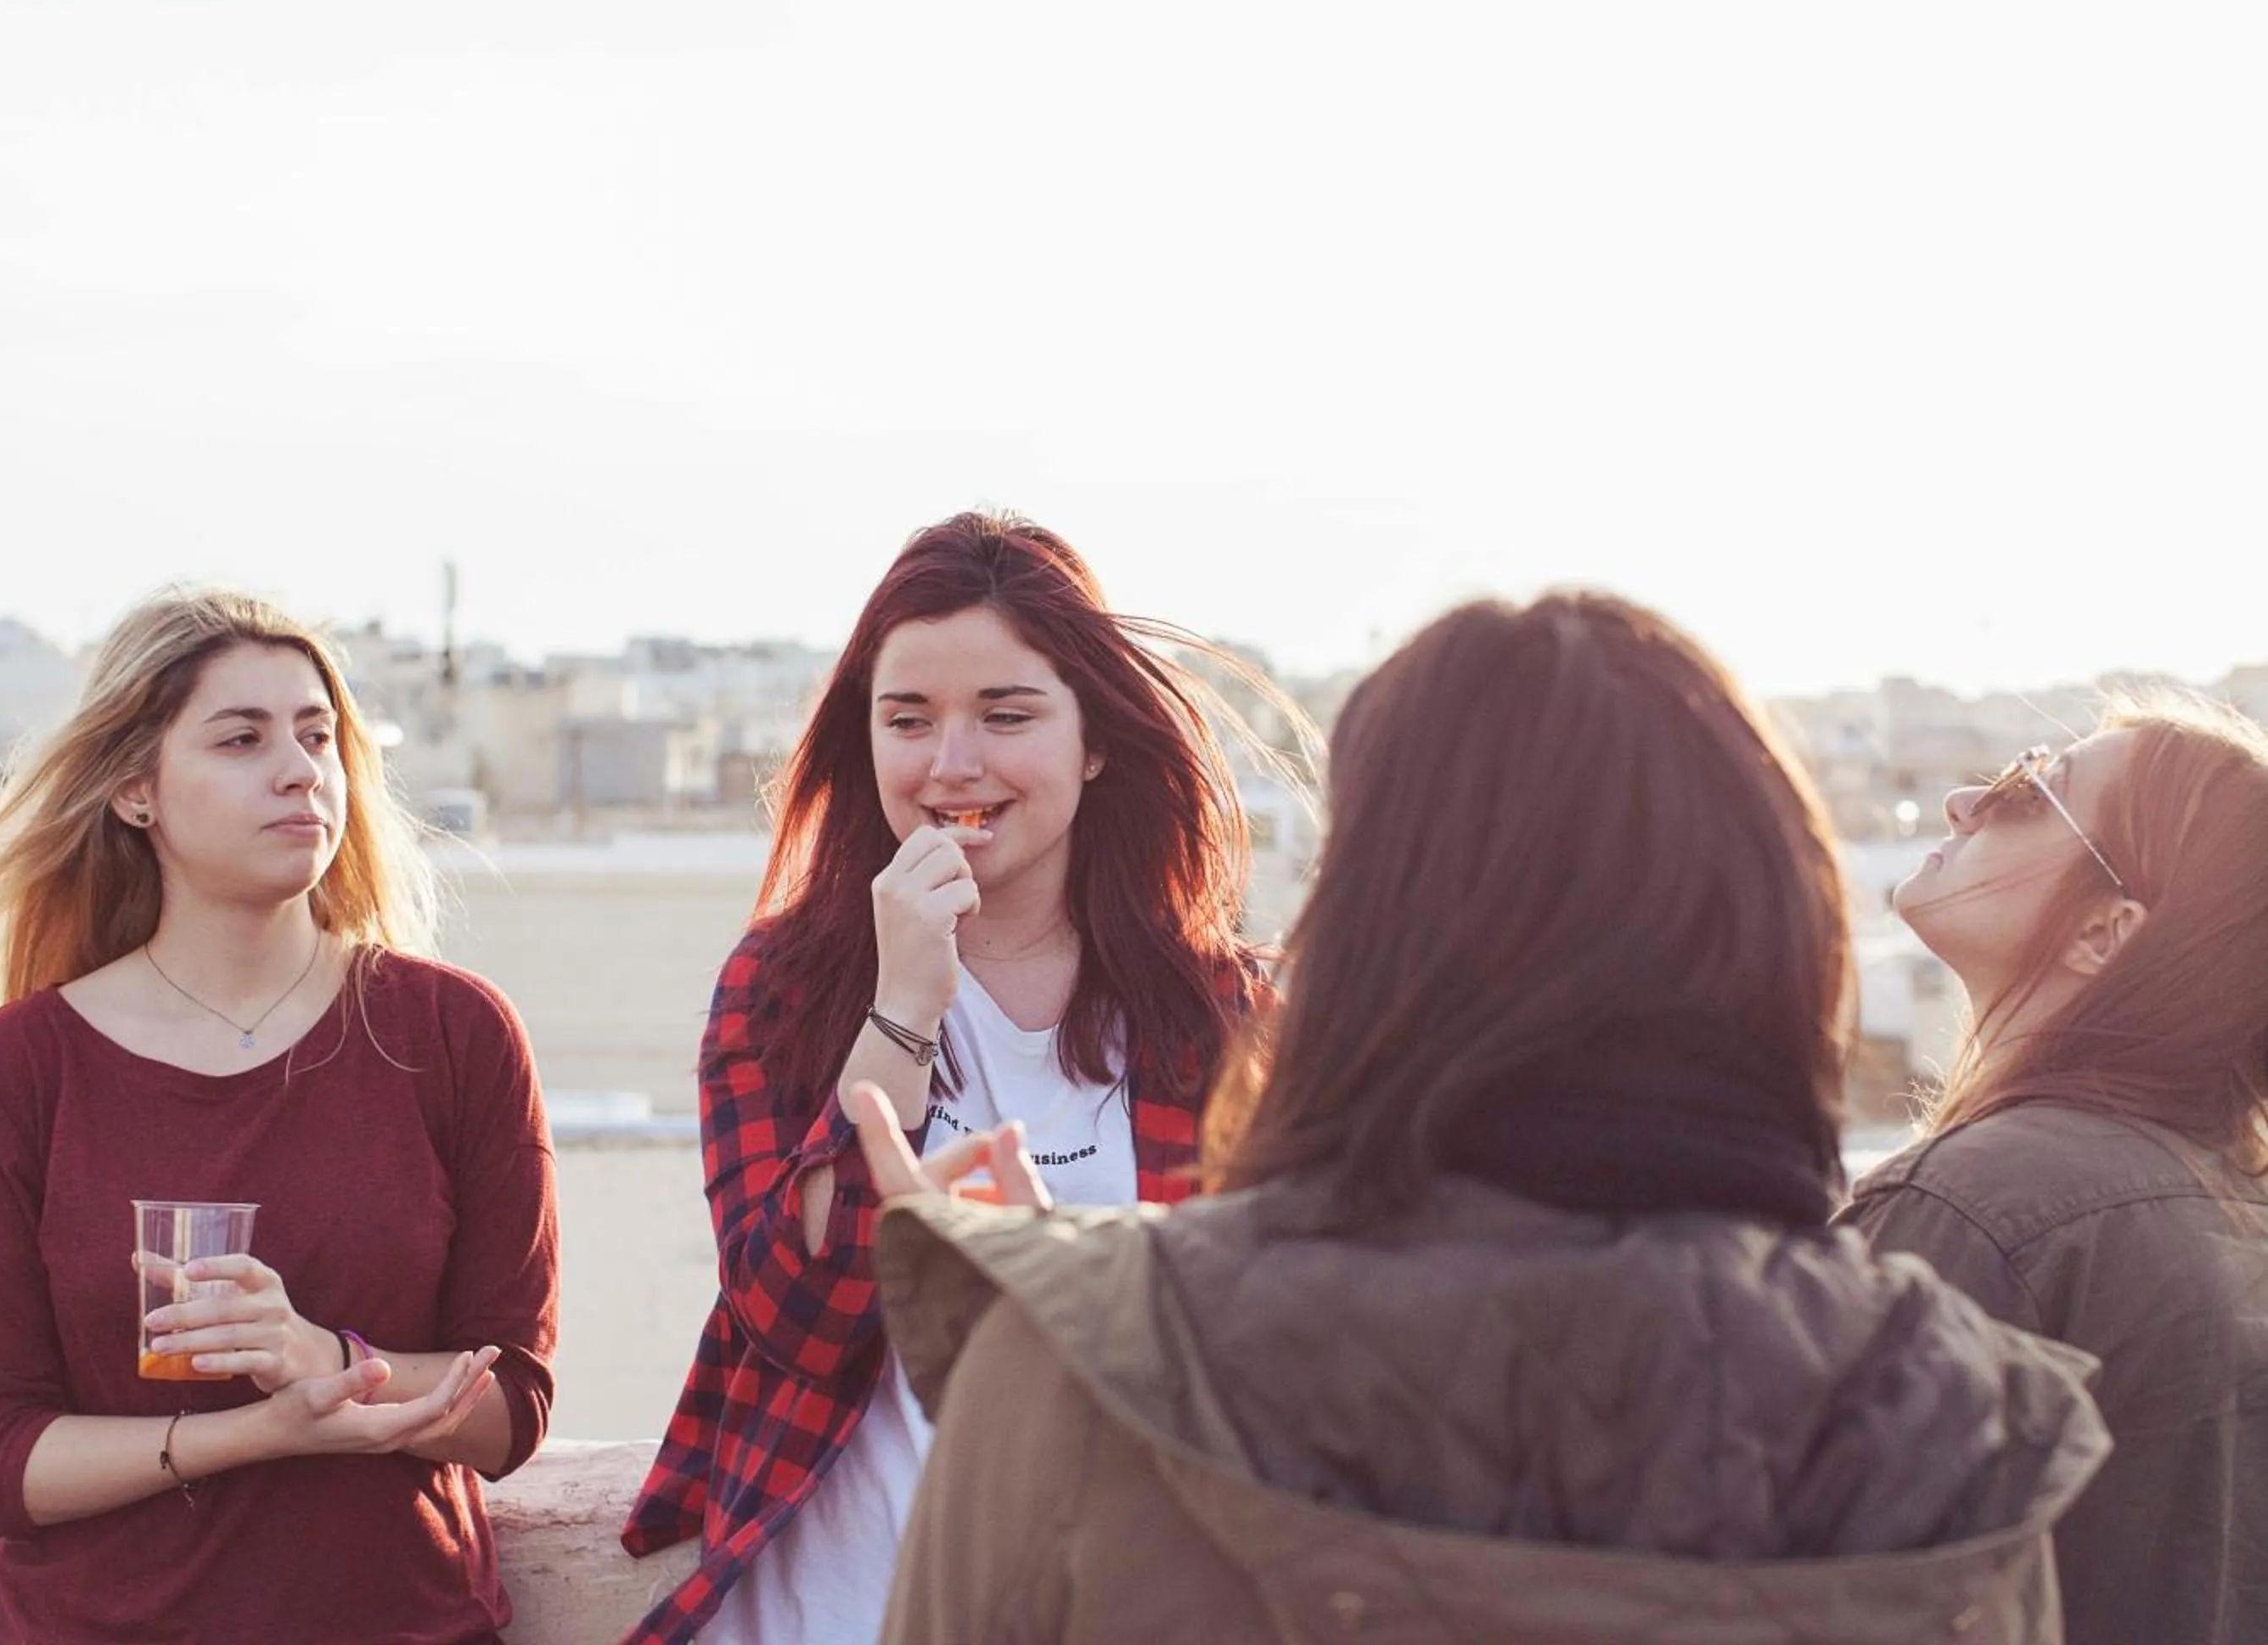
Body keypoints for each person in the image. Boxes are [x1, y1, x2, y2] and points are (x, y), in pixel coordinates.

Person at [860, 591, 2112, 1645]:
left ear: (1362, 931)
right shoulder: (1951, 1419)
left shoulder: (1087, 1361)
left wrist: (1086, 1316)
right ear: (1779, 936)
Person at [617, 510, 1290, 1643]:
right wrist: (903, 1010)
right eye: (909, 719)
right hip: (830, 1616)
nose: (952, 764)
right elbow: (791, 1317)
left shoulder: (1216, 1012)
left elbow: (1260, 1364)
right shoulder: (781, 987)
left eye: (1007, 715)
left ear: (1095, 739)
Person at [0, 587, 560, 1644]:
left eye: (316, 736)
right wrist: (259, 1429)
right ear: (135, 790)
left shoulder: (452, 1035)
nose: (300, 769)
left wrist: (326, 1355)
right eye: (241, 739)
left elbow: (509, 1411)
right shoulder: (23, 1067)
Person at [1838, 696, 2268, 1645]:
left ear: (2107, 932)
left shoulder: (1982, 1208)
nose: (1961, 802)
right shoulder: (2230, 1204)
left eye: (2027, 790)